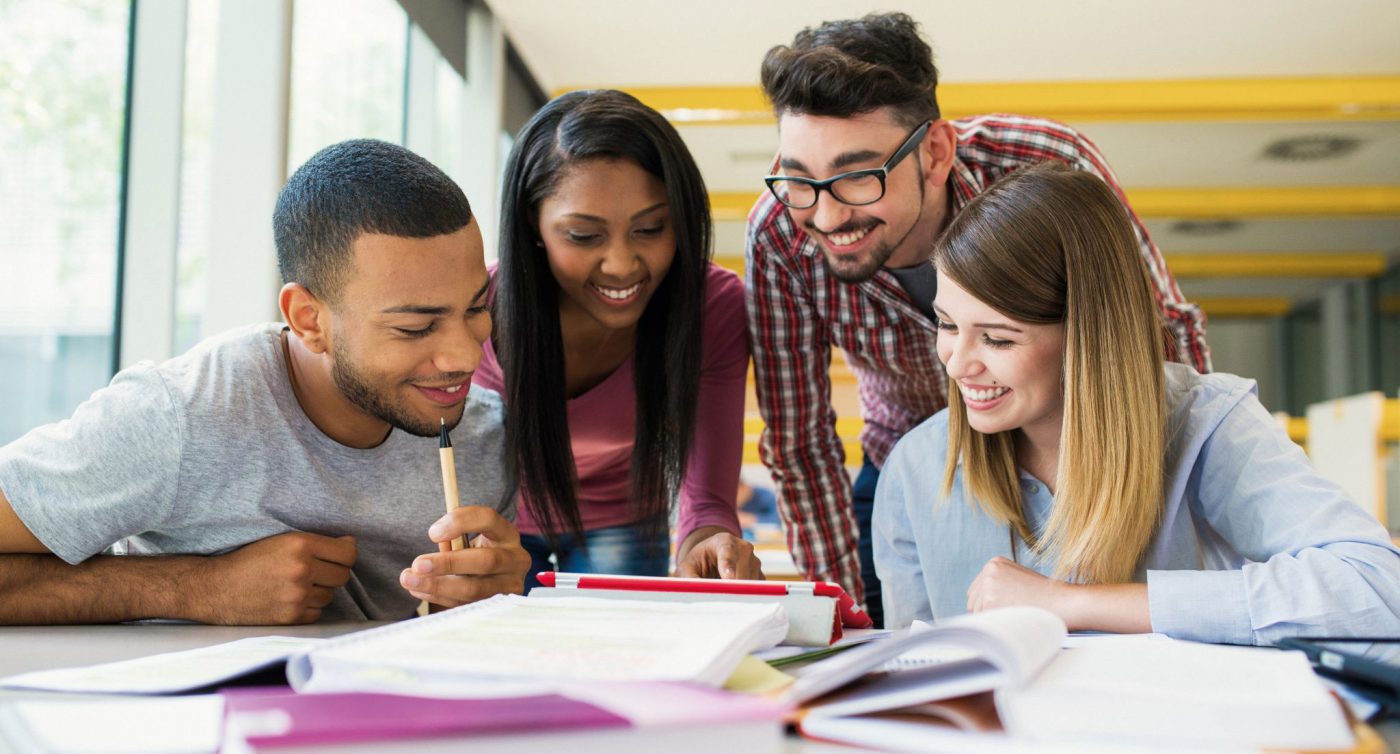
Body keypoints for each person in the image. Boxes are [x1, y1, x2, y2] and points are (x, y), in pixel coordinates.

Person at [746, 12, 1211, 625]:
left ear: (935, 153)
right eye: (801, 180)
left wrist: (1186, 479)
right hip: (907, 466)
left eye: (857, 178)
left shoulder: (1041, 165)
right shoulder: (781, 233)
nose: (827, 217)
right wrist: (840, 614)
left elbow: (1158, 331)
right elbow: (801, 441)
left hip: (1078, 458)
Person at [0, 139, 530, 624]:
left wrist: (490, 609)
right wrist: (194, 589)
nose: (465, 354)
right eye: (415, 327)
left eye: (477, 308)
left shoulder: (486, 438)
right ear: (308, 319)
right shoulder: (179, 416)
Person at [874, 163, 1400, 644]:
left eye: (998, 339)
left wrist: (1074, 604)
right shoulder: (915, 468)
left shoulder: (1206, 423)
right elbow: (913, 679)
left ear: (1088, 338)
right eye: (947, 325)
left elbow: (1378, 587)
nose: (957, 363)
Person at [475, 90, 759, 589]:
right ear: (532, 224)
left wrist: (708, 543)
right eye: (584, 236)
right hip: (495, 519)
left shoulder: (710, 306)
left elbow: (708, 496)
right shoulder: (476, 309)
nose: (622, 264)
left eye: (651, 228)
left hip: (624, 517)